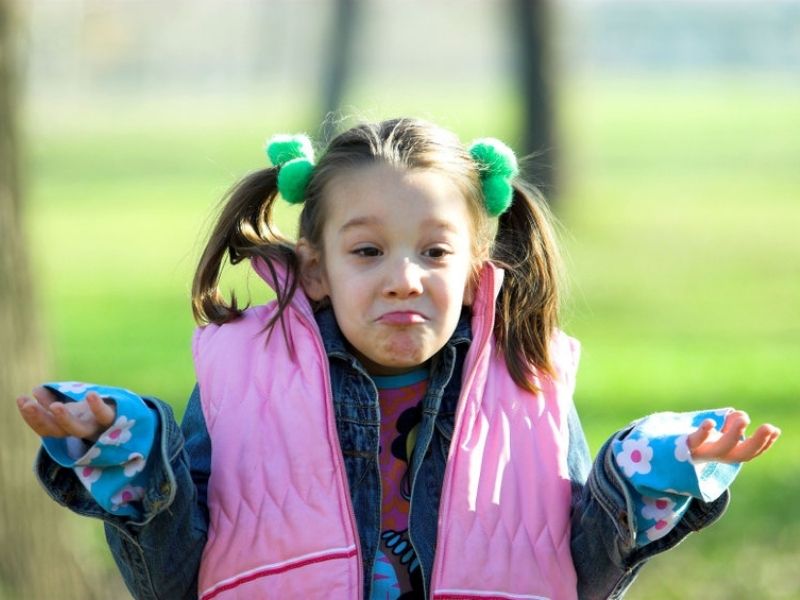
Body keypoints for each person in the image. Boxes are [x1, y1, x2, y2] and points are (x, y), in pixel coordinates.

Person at [17, 118, 780, 600]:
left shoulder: (527, 384)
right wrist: (125, 450)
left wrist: (652, 472)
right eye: (368, 250)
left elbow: (579, 575)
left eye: (434, 251)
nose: (403, 277)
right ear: (317, 268)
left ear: (477, 262)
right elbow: (174, 578)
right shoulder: (239, 382)